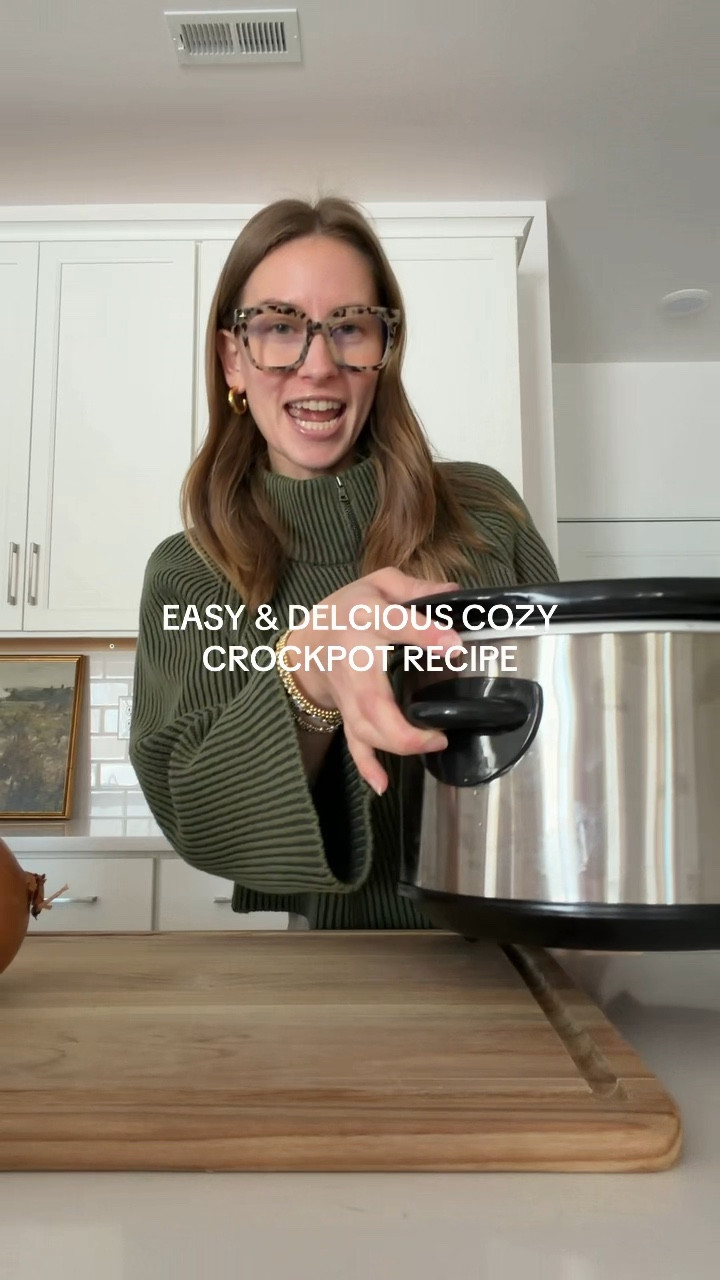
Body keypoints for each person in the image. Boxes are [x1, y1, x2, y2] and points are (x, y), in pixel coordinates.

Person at [129, 196, 558, 930]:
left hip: (519, 951)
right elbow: (194, 819)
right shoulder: (189, 573)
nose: (318, 365)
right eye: (279, 327)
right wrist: (305, 676)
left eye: (349, 327)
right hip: (333, 974)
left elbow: (571, 732)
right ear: (233, 355)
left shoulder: (487, 510)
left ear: (383, 349)